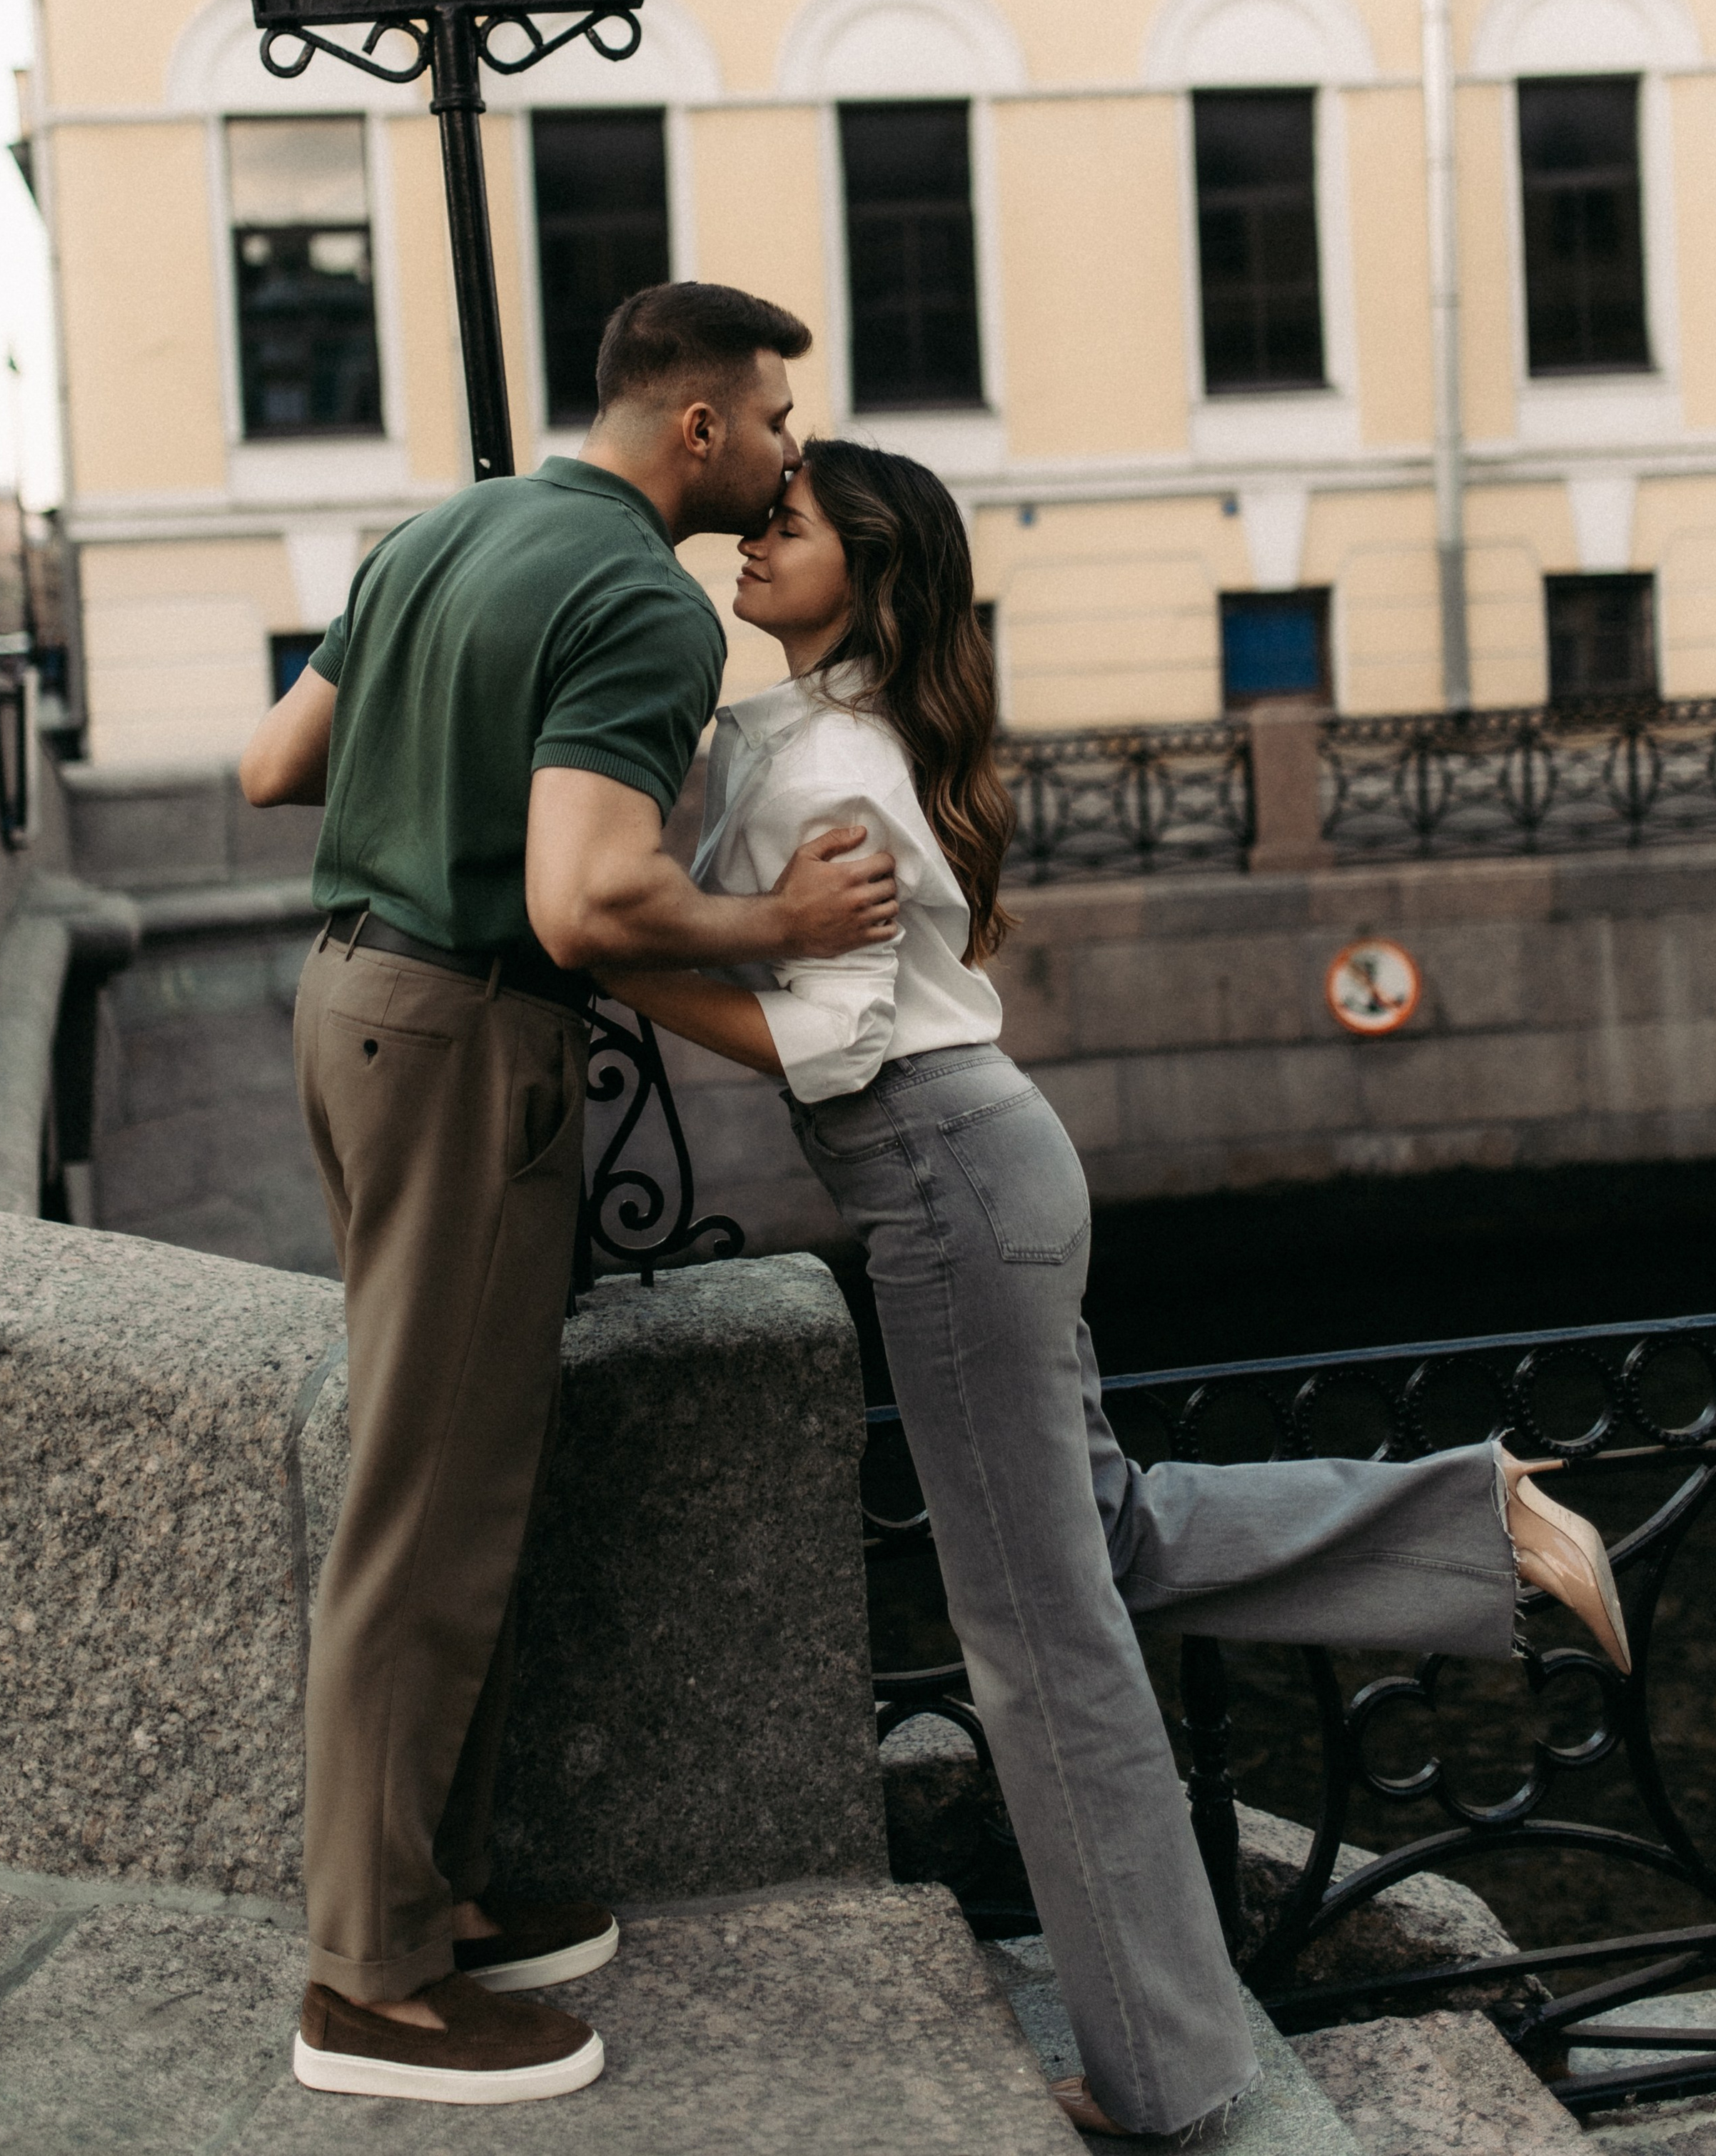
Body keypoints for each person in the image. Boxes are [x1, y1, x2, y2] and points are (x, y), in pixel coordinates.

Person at [606, 437, 1633, 2145]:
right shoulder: (806, 729)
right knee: (1099, 1540)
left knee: (1035, 1637)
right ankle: (1484, 1518)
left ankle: (1160, 2069)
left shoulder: (830, 760)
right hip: (980, 1163)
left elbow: (829, 1039)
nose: (749, 536)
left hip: (938, 1169)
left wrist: (608, 955)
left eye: (787, 521)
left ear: (871, 566)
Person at [237, 285, 900, 2109]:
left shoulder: (441, 529)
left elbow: (274, 764)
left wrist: (439, 757)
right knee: (426, 1508)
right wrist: (781, 918)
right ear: (697, 426)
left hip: (347, 1002)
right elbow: (584, 899)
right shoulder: (636, 597)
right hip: (463, 1034)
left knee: (445, 1471)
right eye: (773, 420)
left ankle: (435, 1895)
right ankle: (369, 1981)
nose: (784, 454)